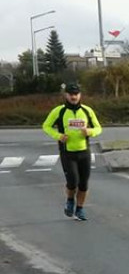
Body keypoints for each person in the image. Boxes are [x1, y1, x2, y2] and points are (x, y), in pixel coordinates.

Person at [41, 82, 102, 221]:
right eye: (71, 94)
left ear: (80, 95)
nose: (74, 97)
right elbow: (46, 126)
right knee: (73, 181)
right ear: (66, 95)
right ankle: (70, 200)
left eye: (76, 94)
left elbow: (99, 128)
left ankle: (79, 209)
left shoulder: (87, 110)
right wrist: (58, 136)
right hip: (67, 152)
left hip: (84, 152)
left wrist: (90, 131)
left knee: (84, 184)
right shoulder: (59, 111)